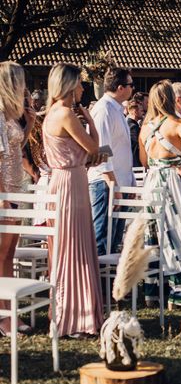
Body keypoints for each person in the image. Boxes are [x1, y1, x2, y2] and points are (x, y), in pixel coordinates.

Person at [43, 63, 104, 338]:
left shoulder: (51, 114)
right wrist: (89, 121)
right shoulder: (66, 114)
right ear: (68, 86)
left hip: (62, 183)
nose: (82, 88)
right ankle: (77, 318)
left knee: (63, 251)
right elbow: (94, 148)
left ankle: (64, 314)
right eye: (79, 83)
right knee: (74, 249)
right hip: (71, 185)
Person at [139, 79, 181, 306]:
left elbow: (143, 160)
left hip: (152, 182)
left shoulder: (145, 127)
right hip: (173, 181)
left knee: (154, 232)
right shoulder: (178, 123)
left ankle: (153, 291)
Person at [0, 61, 35, 335]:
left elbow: (14, 150)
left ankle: (9, 311)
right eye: (20, 81)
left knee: (8, 256)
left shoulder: (11, 116)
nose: (24, 86)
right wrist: (3, 197)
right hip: (4, 194)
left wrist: (31, 124)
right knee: (2, 257)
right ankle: (5, 317)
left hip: (15, 189)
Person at [88, 68, 136, 256]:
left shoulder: (116, 109)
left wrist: (129, 181)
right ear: (120, 87)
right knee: (102, 239)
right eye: (131, 85)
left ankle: (111, 283)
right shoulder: (103, 109)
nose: (133, 89)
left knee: (115, 242)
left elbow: (121, 149)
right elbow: (102, 149)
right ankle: (99, 284)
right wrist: (113, 184)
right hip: (105, 183)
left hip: (119, 182)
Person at [126, 99, 143, 168]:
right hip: (135, 164)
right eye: (141, 111)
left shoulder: (129, 125)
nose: (143, 113)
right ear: (135, 111)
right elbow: (138, 146)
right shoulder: (133, 127)